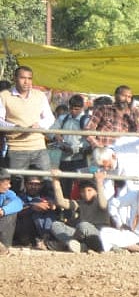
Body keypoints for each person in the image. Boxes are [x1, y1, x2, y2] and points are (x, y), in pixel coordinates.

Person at [0, 66, 55, 194]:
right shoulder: (4, 96)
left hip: (39, 147)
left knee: (46, 182)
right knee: (16, 185)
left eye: (29, 78)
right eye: (23, 78)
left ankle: (47, 212)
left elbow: (50, 118)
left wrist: (39, 125)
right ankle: (19, 212)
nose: (26, 82)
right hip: (16, 148)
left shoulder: (39, 95)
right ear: (15, 78)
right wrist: (15, 128)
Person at [49, 169, 109, 253]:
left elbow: (103, 204)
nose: (86, 194)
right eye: (83, 191)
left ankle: (69, 245)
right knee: (56, 225)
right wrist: (56, 181)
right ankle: (76, 245)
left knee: (83, 225)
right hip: (80, 235)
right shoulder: (79, 203)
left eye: (89, 190)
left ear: (96, 191)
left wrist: (99, 183)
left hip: (98, 235)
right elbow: (61, 202)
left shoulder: (100, 201)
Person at [0, 168, 24, 255]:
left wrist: (3, 210)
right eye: (7, 184)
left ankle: (4, 245)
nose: (9, 186)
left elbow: (19, 203)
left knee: (10, 206)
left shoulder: (7, 193)